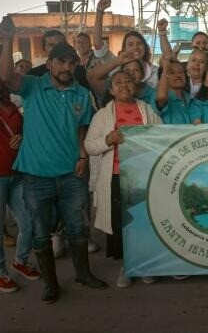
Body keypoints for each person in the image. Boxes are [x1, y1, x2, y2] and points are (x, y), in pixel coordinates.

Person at [0, 16, 107, 303]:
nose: (66, 67)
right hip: (36, 176)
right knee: (40, 232)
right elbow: (6, 76)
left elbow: (81, 128)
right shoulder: (32, 86)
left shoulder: (80, 93)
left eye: (71, 63)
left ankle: (83, 274)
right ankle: (50, 284)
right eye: (61, 62)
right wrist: (7, 40)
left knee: (77, 227)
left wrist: (83, 155)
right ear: (49, 64)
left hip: (72, 173)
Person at [85, 70, 162, 288]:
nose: (124, 85)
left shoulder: (147, 110)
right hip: (116, 176)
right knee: (122, 224)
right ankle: (128, 267)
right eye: (118, 82)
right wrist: (108, 139)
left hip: (142, 176)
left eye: (128, 81)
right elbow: (89, 146)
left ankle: (144, 266)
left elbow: (162, 134)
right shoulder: (102, 115)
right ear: (111, 90)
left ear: (135, 86)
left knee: (143, 222)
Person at [0, 72, 39, 293]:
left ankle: (20, 261)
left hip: (16, 171)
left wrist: (22, 137)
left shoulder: (10, 105)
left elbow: (23, 130)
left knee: (28, 221)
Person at [155, 57, 191, 125]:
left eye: (181, 72)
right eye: (171, 73)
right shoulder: (157, 95)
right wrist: (165, 69)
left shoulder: (190, 98)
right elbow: (162, 97)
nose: (178, 75)